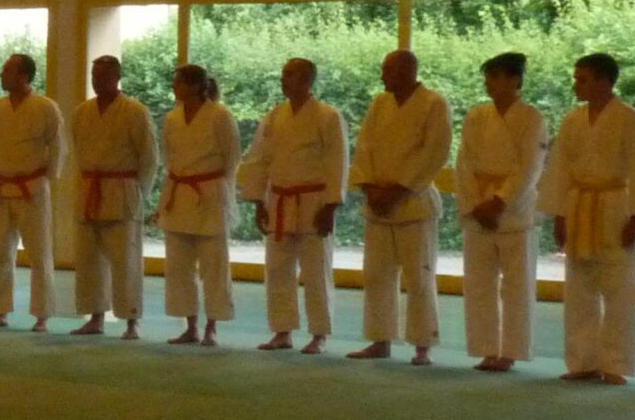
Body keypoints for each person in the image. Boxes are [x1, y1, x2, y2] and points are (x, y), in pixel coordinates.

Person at [540, 52, 635, 385]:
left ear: (605, 81)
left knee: (618, 288)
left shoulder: (630, 119)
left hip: (616, 205)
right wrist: (558, 214)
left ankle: (616, 364)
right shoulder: (573, 120)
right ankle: (582, 361)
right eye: (576, 78)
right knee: (579, 287)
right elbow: (559, 168)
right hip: (578, 204)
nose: (576, 84)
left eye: (583, 79)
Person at [348, 50, 452, 366]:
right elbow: (364, 147)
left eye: (388, 70)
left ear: (408, 71)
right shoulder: (380, 104)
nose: (382, 76)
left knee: (418, 277)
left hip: (413, 203)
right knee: (376, 275)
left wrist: (397, 189)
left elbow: (436, 152)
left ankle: (423, 345)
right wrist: (369, 187)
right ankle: (380, 340)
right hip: (378, 203)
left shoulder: (434, 103)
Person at [240, 58, 347, 355]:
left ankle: (319, 334)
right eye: (284, 73)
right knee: (277, 269)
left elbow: (337, 162)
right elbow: (259, 159)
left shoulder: (328, 116)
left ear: (307, 79)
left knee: (315, 270)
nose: (283, 79)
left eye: (290, 74)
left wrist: (331, 205)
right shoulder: (274, 116)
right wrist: (258, 201)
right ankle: (282, 330)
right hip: (279, 200)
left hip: (314, 201)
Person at [456, 52, 546, 372]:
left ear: (515, 81)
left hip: (514, 212)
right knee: (479, 283)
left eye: (495, 76)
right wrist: (473, 204)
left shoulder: (531, 118)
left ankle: (511, 351)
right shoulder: (477, 116)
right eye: (488, 76)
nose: (489, 83)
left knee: (516, 285)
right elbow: (464, 163)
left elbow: (529, 168)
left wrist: (500, 201)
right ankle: (486, 348)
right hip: (479, 206)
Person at [70, 55, 154, 339]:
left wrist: (137, 191)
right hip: (90, 189)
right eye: (94, 76)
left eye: (103, 76)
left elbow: (149, 158)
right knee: (89, 260)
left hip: (122, 190)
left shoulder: (134, 111)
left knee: (125, 259)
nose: (97, 81)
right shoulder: (82, 112)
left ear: (117, 78)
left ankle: (131, 320)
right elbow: (78, 151)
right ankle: (95, 317)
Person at [158, 65, 239, 347]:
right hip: (180, 192)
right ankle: (190, 325)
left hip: (210, 193)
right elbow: (167, 156)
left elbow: (232, 158)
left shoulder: (220, 115)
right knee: (179, 265)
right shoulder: (172, 118)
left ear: (194, 86)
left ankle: (212, 327)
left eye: (177, 83)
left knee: (213, 265)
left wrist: (219, 190)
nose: (173, 87)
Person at [0, 53, 63, 330]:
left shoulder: (45, 107)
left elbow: (57, 147)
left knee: (39, 253)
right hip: (5, 185)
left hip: (32, 186)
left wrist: (47, 181)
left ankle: (42, 314)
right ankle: (0, 310)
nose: (2, 74)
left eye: (7, 70)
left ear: (24, 76)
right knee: (1, 253)